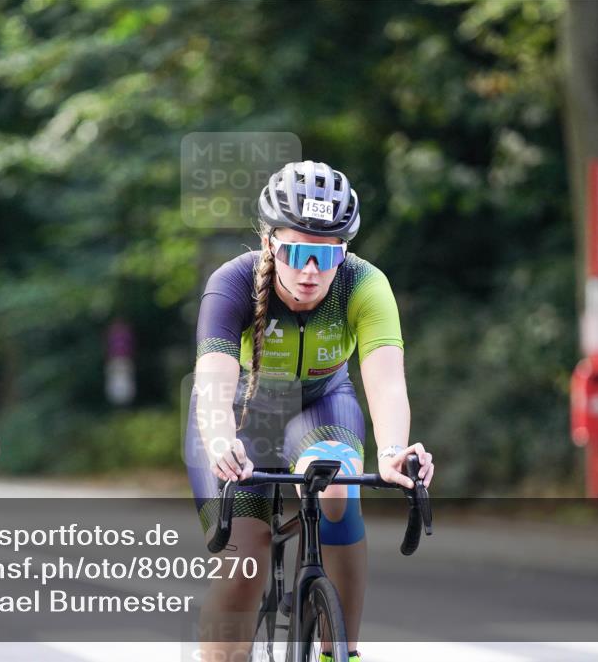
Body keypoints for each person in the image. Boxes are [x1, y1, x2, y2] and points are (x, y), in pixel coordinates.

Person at [185, 161, 434, 661]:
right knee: (246, 560)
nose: (310, 271)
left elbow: (384, 380)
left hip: (323, 404)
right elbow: (213, 382)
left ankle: (339, 652)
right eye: (297, 252)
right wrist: (218, 441)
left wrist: (390, 451)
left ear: (345, 251)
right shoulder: (231, 282)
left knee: (340, 489)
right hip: (240, 415)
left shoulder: (363, 283)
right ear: (271, 242)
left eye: (327, 255)